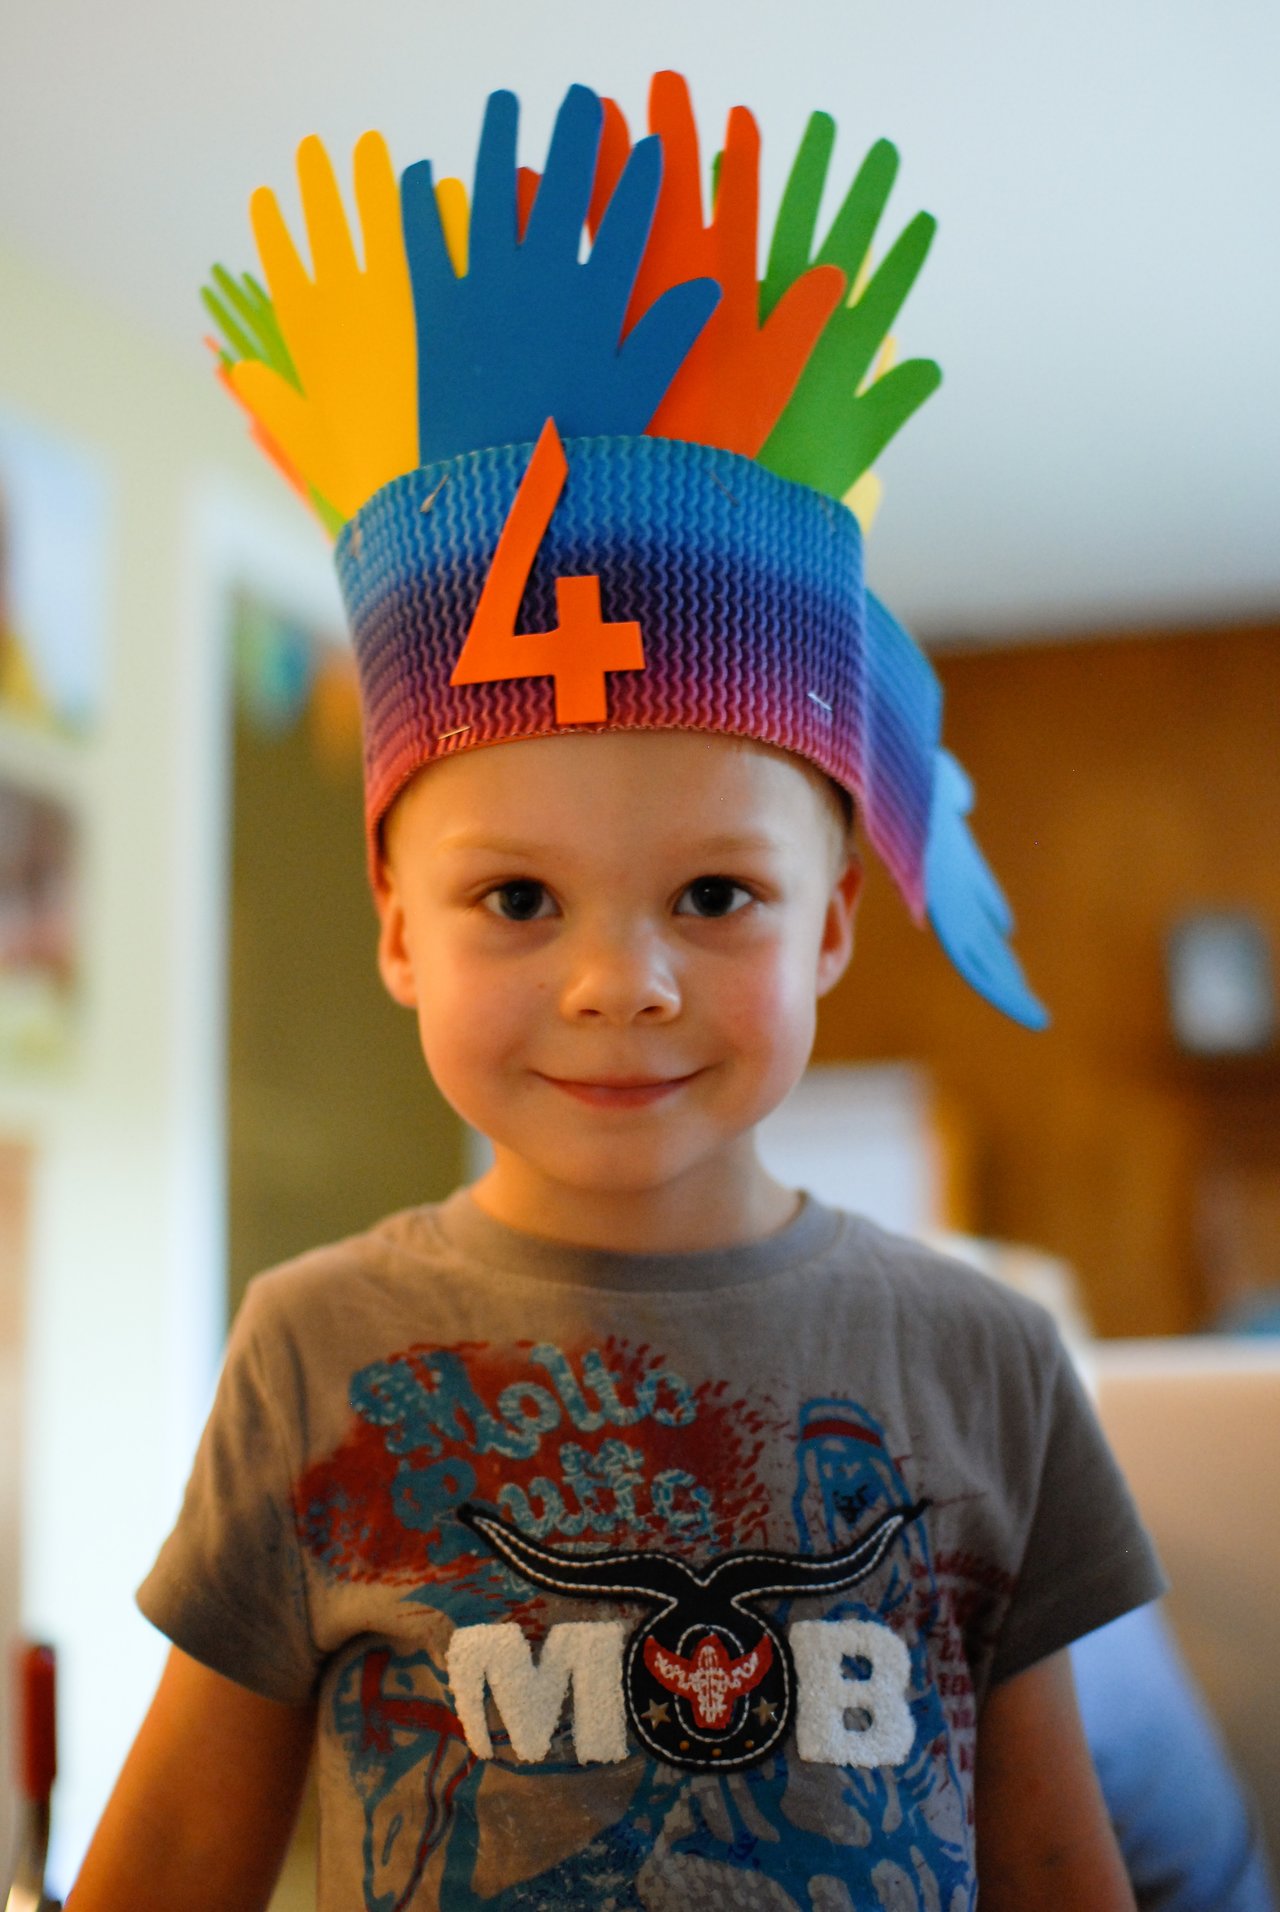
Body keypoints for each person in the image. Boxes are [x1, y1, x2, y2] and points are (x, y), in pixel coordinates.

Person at [68, 74, 1163, 1911]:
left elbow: (1056, 1858)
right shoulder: (311, 1354)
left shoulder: (992, 1366)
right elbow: (175, 1849)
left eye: (716, 893)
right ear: (401, 930)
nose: (620, 983)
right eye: (515, 897)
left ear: (829, 928)